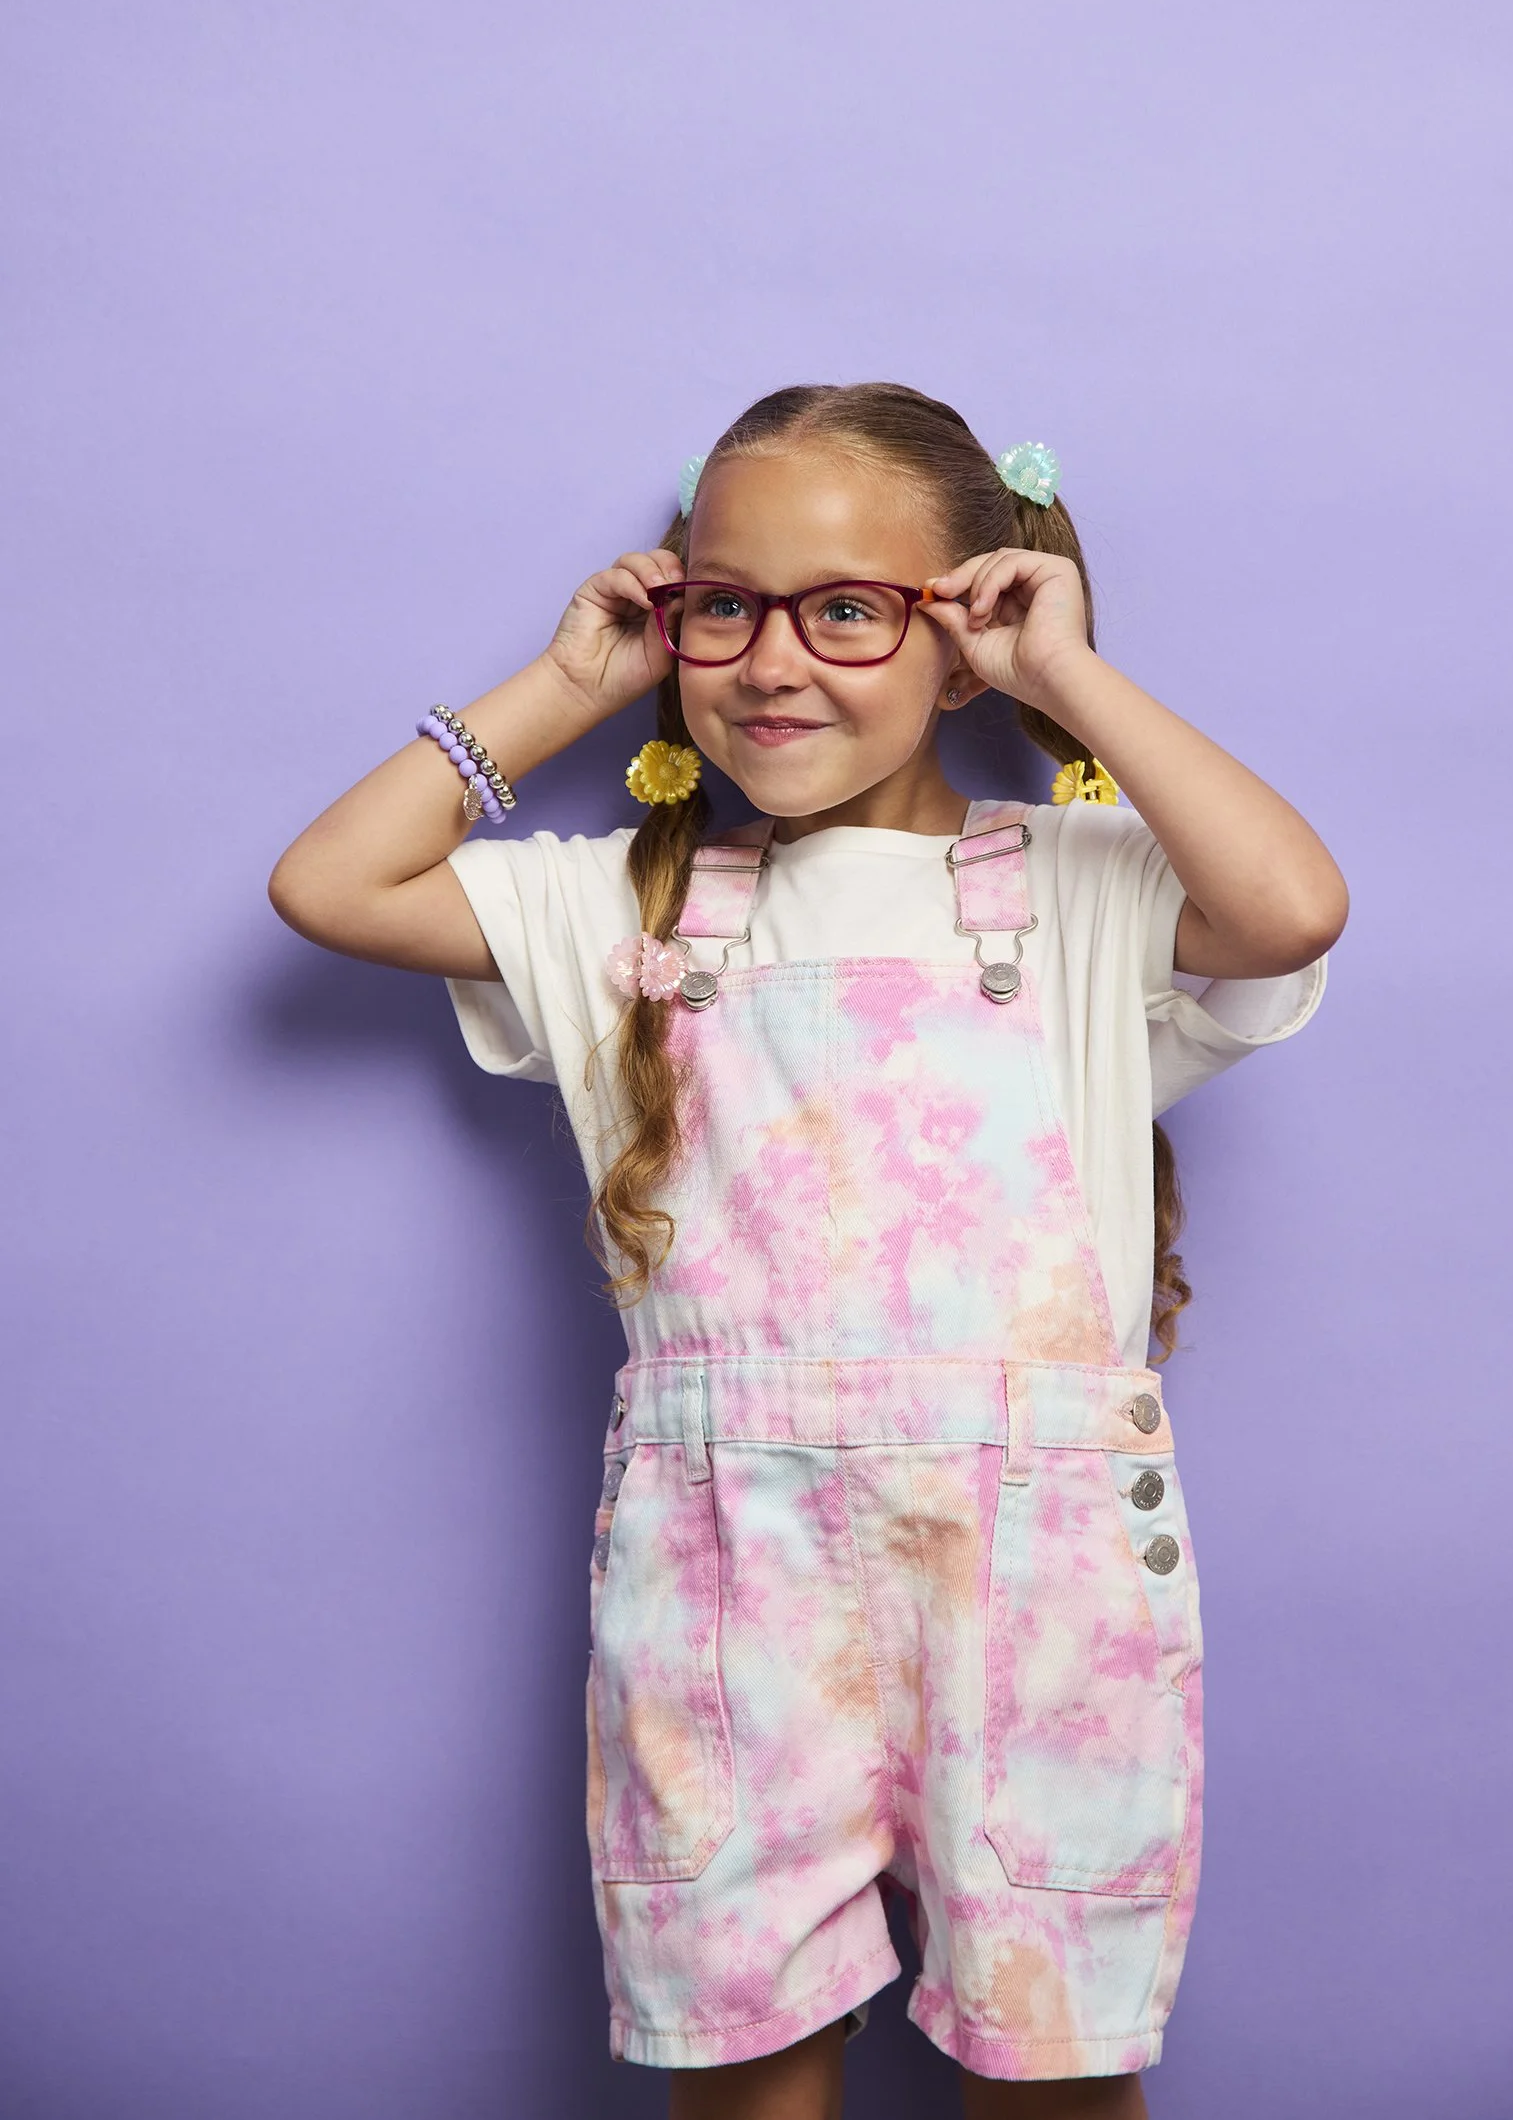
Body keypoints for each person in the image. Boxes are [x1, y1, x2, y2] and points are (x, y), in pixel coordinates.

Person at [270, 381, 1347, 2119]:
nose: (772, 661)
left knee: (1052, 2073)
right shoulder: (626, 904)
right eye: (723, 604)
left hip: (1034, 1584)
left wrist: (1064, 671)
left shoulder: (1078, 884)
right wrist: (570, 681)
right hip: (724, 1580)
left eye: (849, 610)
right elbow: (328, 885)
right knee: (745, 2070)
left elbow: (1290, 905)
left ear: (966, 628)